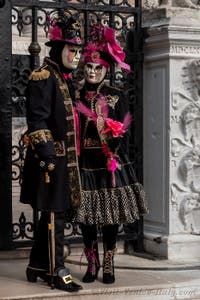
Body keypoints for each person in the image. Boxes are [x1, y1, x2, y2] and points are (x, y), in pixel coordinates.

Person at [74, 24, 148, 284]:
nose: (93, 72)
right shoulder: (75, 96)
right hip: (84, 165)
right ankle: (91, 261)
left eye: (99, 68)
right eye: (89, 68)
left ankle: (108, 262)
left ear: (106, 69)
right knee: (87, 217)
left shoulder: (116, 96)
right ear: (84, 70)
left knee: (109, 217)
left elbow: (127, 132)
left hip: (109, 164)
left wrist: (114, 147)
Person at [20, 15, 83, 292]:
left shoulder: (64, 78)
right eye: (72, 50)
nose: (77, 55)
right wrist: (46, 156)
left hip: (64, 160)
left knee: (54, 214)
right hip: (50, 161)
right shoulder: (44, 77)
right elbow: (37, 120)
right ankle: (56, 270)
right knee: (55, 214)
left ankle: (36, 264)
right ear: (58, 49)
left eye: (79, 51)